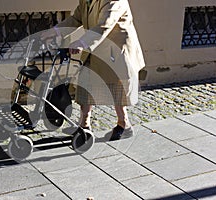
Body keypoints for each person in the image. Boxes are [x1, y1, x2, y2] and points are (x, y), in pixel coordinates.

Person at [41, 0, 145, 140]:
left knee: (117, 89)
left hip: (115, 50)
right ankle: (84, 125)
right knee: (85, 83)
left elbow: (104, 25)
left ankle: (124, 124)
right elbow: (76, 19)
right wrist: (56, 31)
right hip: (96, 48)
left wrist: (82, 42)